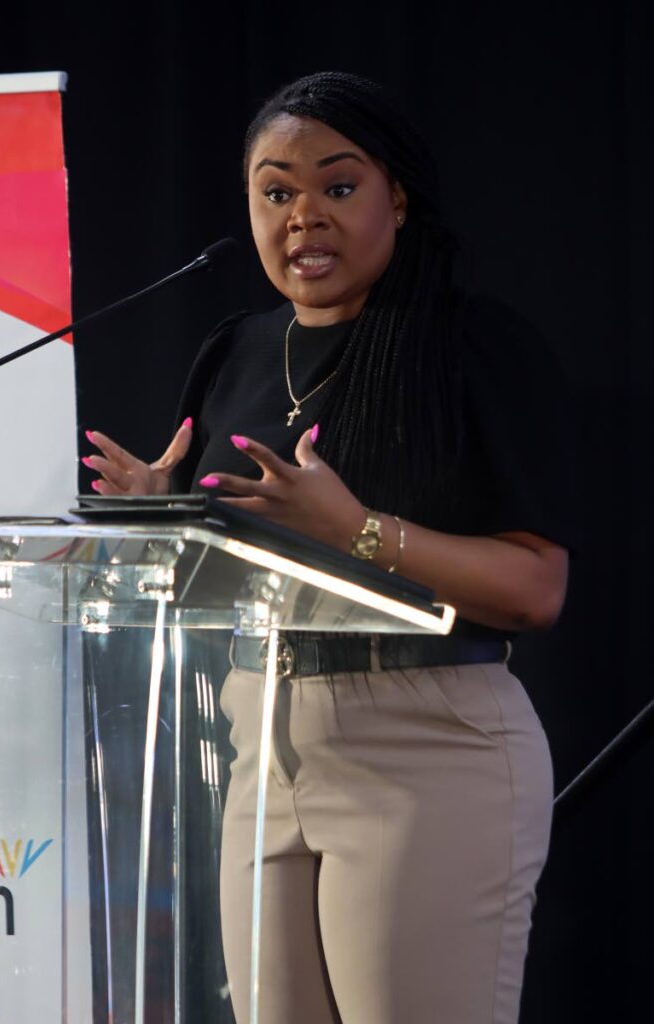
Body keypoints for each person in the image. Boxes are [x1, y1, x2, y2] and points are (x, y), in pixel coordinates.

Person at [84, 71, 573, 1024]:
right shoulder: (235, 352)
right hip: (258, 737)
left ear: (397, 196)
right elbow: (227, 567)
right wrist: (164, 517)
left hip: (425, 741)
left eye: (336, 187)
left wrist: (354, 529)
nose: (302, 216)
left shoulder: (473, 347)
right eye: (275, 193)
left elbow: (535, 589)